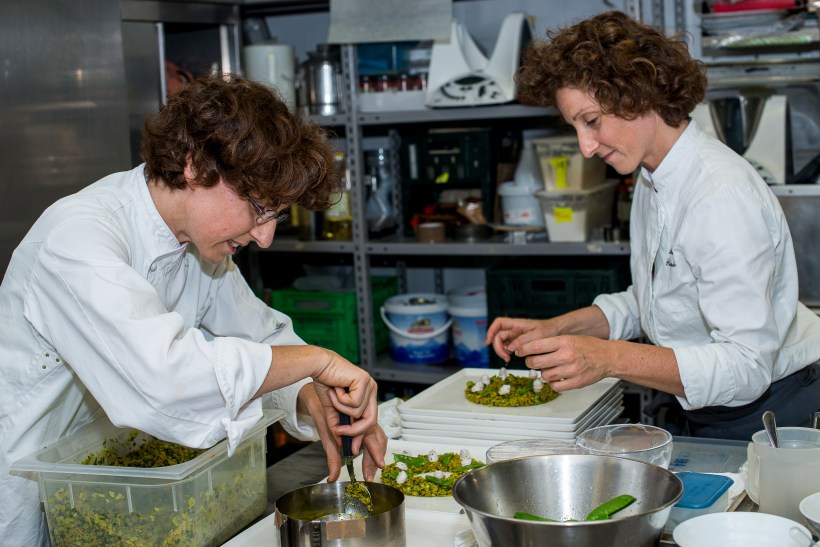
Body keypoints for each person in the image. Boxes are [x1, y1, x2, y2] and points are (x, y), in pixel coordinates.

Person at [0, 73, 387, 546]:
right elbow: (167, 378)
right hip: (19, 499)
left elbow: (261, 339)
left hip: (104, 490)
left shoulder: (198, 249)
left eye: (276, 217)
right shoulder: (78, 238)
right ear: (194, 166)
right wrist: (317, 361)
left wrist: (312, 396)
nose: (264, 237)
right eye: (260, 209)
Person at [486, 11, 820, 440]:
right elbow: (658, 297)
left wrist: (607, 358)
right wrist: (560, 328)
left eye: (591, 121)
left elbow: (746, 365)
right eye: (576, 128)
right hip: (703, 406)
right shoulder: (651, 175)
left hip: (768, 413)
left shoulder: (720, 196)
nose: (585, 148)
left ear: (636, 94)